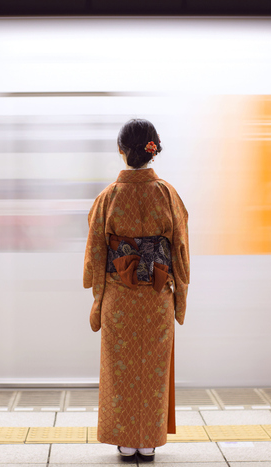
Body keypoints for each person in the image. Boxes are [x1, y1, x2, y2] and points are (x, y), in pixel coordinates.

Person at [83, 118, 190, 462]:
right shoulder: (167, 194)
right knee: (153, 370)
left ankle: (125, 442)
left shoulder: (109, 197)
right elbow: (180, 252)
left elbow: (97, 253)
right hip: (157, 296)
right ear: (153, 152)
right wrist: (180, 297)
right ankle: (149, 442)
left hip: (120, 296)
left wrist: (98, 297)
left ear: (121, 151)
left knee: (121, 369)